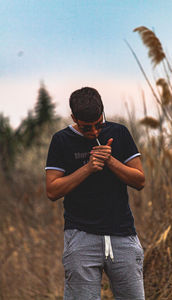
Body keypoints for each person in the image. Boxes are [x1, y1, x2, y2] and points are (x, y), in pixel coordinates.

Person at [45, 87, 145, 300]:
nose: (94, 133)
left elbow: (139, 180)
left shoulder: (119, 133)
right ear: (73, 118)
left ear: (103, 112)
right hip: (81, 237)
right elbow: (52, 190)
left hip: (123, 235)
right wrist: (88, 168)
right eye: (86, 128)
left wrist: (110, 161)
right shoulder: (61, 140)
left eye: (99, 125)